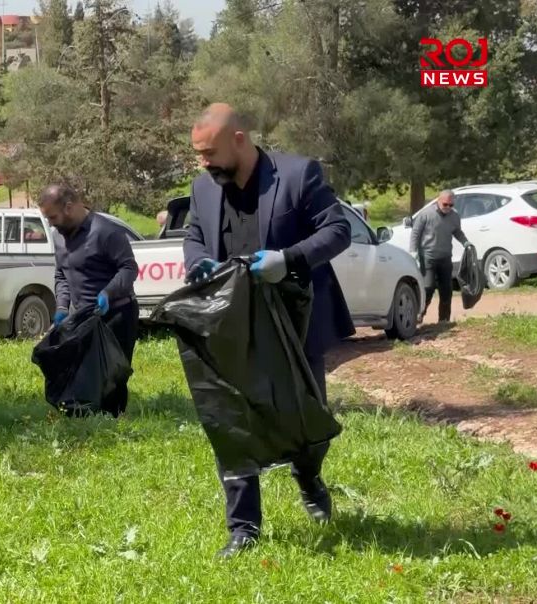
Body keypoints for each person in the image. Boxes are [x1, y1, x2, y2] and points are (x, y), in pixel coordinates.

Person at [182, 103, 355, 558]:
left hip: (297, 319)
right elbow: (194, 235)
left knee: (306, 417)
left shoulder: (298, 175)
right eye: (198, 154)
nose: (204, 163)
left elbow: (338, 231)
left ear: (239, 138)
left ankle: (308, 475)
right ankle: (243, 528)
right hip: (233, 325)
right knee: (230, 420)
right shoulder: (203, 188)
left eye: (210, 152)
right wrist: (196, 261)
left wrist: (289, 260)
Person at [39, 184, 139, 417]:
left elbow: (129, 268)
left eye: (52, 217)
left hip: (116, 314)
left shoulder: (107, 231)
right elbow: (61, 274)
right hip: (82, 317)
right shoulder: (59, 237)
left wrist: (108, 293)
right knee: (82, 372)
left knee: (112, 374)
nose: (50, 223)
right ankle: (87, 420)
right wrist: (62, 306)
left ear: (69, 207)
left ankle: (114, 421)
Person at [410, 189, 469, 324]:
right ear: (438, 201)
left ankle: (443, 320)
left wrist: (466, 242)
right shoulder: (426, 214)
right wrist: (413, 251)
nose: (448, 207)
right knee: (428, 287)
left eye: (451, 205)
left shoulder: (454, 216)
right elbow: (415, 233)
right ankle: (419, 315)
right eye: (445, 204)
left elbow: (457, 232)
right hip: (428, 257)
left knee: (446, 290)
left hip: (445, 257)